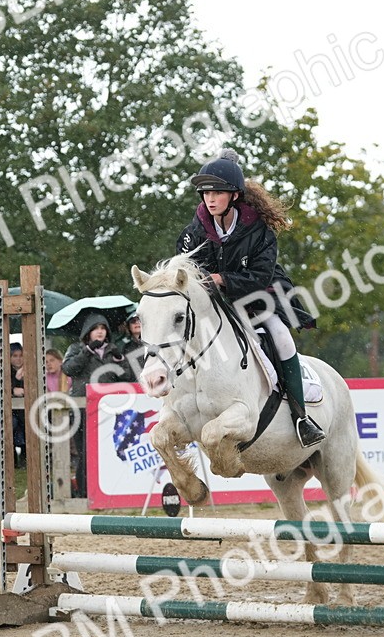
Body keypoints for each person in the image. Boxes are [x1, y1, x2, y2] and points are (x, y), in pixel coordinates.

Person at [176, 147, 323, 447]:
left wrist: (221, 278)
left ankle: (301, 417)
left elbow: (259, 276)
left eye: (217, 193)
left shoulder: (259, 229)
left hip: (260, 293)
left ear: (234, 195)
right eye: (206, 193)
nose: (210, 199)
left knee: (282, 336)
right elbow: (186, 268)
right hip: (218, 300)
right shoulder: (196, 230)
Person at [62, 313, 135, 497]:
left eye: (103, 328)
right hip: (82, 409)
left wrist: (120, 359)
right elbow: (68, 369)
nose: (100, 332)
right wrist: (87, 351)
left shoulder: (113, 349)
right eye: (95, 328)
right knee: (85, 452)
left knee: (108, 452)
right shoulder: (75, 348)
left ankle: (108, 492)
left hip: (108, 410)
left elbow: (127, 376)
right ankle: (85, 493)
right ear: (88, 332)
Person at [9, 342, 27, 467]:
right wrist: (12, 390)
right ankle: (12, 457)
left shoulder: (29, 370)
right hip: (11, 411)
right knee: (12, 425)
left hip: (26, 410)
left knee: (28, 424)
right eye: (15, 356)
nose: (18, 359)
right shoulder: (5, 371)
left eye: (21, 355)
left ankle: (25, 457)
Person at [117, 314, 147, 380]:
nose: (137, 322)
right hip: (135, 384)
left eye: (140, 320)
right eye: (133, 321)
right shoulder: (126, 348)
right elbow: (126, 374)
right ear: (128, 327)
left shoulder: (153, 344)